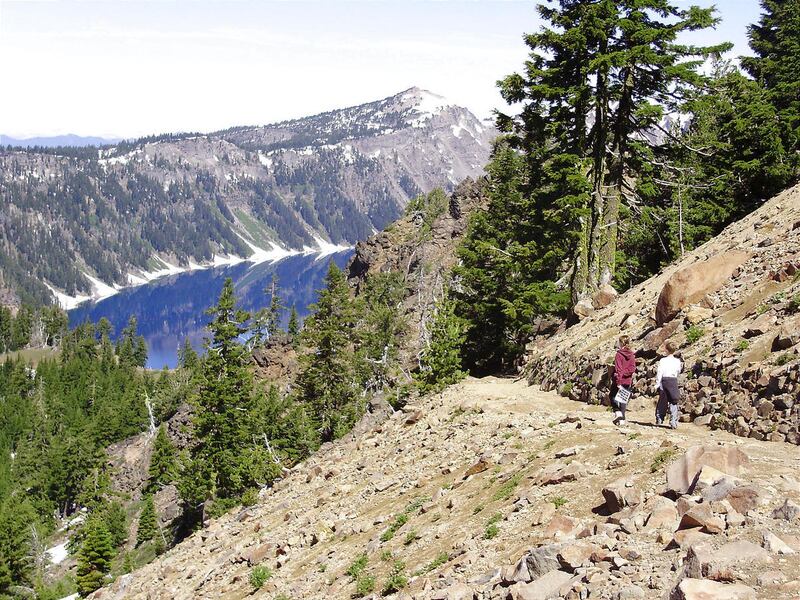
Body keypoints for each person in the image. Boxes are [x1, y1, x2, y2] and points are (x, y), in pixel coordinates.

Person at [655, 340, 682, 429]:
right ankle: (673, 421)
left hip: (664, 380)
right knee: (673, 401)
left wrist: (657, 383)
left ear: (666, 350)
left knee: (662, 400)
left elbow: (660, 372)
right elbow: (678, 371)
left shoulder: (663, 360)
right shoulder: (677, 361)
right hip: (673, 380)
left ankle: (659, 418)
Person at [612, 335, 636, 426]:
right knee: (623, 399)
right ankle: (622, 419)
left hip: (619, 379)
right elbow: (632, 368)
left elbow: (618, 369)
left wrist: (619, 379)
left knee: (612, 396)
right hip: (627, 380)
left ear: (621, 343)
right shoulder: (632, 355)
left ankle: (618, 413)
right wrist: (626, 373)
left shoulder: (619, 354)